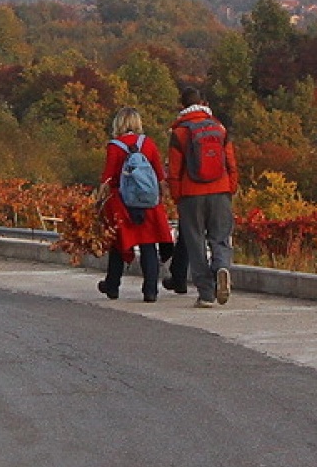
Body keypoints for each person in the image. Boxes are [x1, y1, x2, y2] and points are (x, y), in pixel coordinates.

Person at [166, 87, 238, 307]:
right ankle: (222, 266)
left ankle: (206, 293)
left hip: (191, 194)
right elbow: (230, 162)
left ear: (182, 106)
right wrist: (230, 187)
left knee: (195, 242)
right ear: (203, 103)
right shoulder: (219, 128)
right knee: (220, 237)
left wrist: (177, 197)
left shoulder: (179, 133)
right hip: (221, 191)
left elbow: (174, 171)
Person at [97, 106, 174, 303]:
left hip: (122, 203)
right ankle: (150, 291)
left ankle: (112, 285)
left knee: (118, 244)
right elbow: (159, 175)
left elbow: (108, 178)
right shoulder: (148, 144)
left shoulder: (114, 146)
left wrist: (99, 201)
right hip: (148, 203)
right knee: (149, 246)